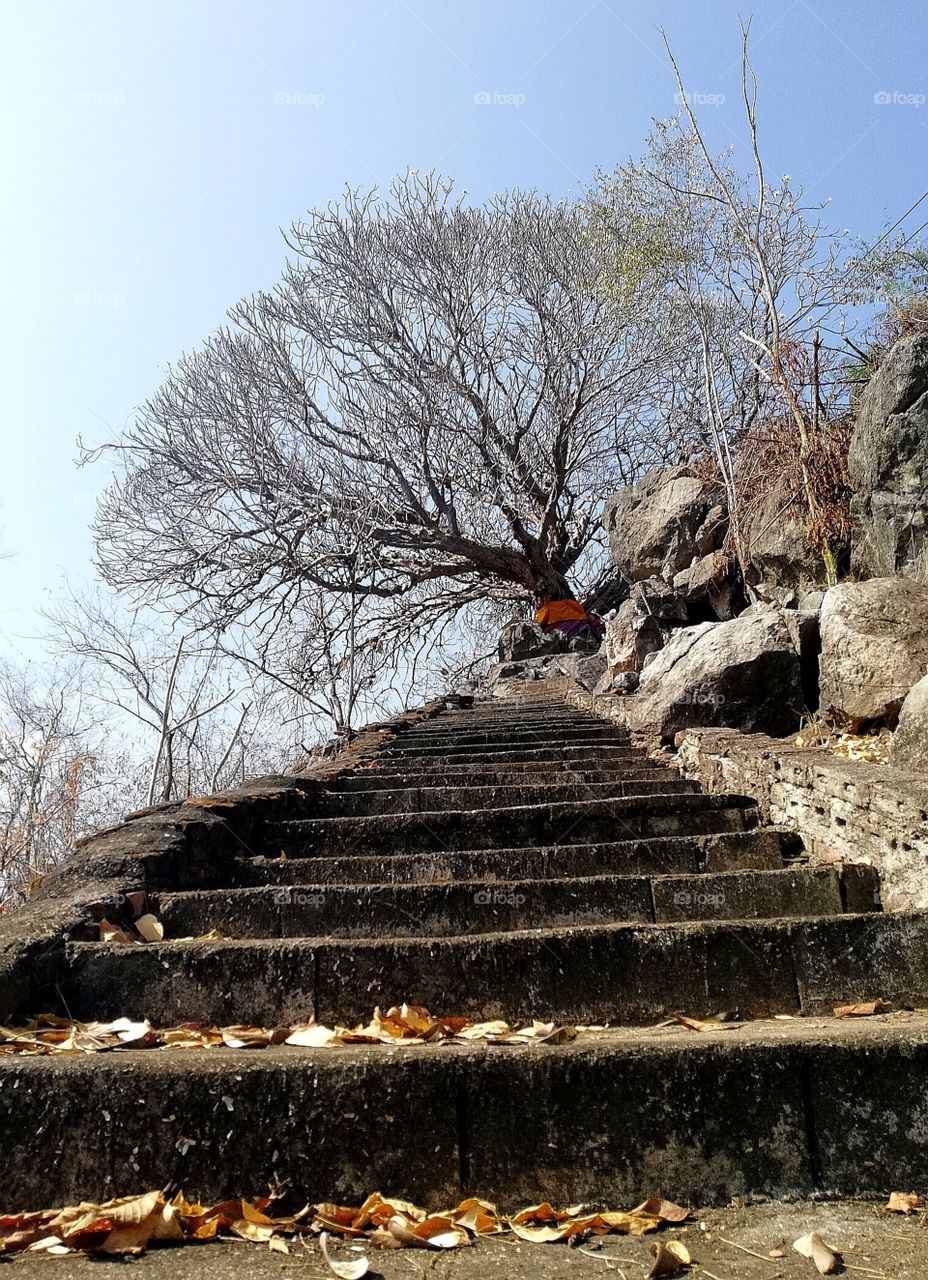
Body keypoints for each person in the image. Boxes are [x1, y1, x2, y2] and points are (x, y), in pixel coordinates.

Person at [534, 597, 604, 641]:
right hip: (573, 624)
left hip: (561, 626)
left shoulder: (548, 607)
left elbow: (539, 622)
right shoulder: (567, 604)